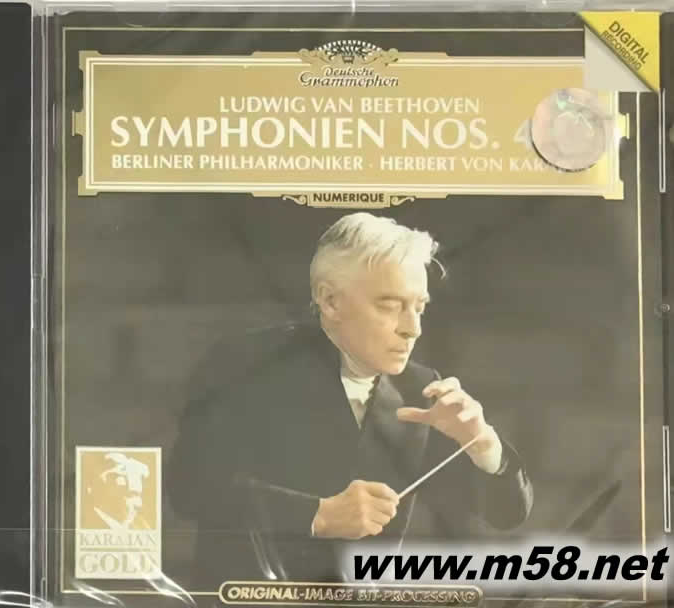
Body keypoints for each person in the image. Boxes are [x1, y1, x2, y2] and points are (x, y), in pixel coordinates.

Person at [168, 212, 532, 584]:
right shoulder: (244, 364)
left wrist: (484, 446)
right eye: (390, 306)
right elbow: (189, 489)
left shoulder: (421, 388)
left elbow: (506, 515)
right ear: (330, 301)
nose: (413, 329)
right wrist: (317, 515)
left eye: (419, 307)